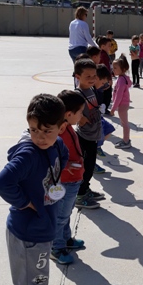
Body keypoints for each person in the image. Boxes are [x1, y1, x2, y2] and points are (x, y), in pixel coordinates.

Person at [0, 93, 71, 285]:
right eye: (34, 130)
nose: (40, 137)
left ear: (61, 128)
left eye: (47, 131)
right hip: (28, 233)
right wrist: (24, 202)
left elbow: (64, 155)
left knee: (39, 280)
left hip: (42, 228)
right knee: (31, 283)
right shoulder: (28, 153)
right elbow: (1, 183)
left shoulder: (56, 145)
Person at [51, 91, 100, 266]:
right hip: (65, 180)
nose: (82, 115)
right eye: (80, 112)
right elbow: (51, 158)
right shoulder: (59, 132)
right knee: (61, 216)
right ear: (69, 114)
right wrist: (67, 165)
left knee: (66, 213)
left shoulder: (68, 127)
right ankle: (56, 248)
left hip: (73, 180)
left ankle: (66, 239)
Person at [74, 60, 110, 207]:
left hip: (93, 135)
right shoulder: (78, 94)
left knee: (90, 167)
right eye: (87, 76)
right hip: (85, 136)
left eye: (94, 76)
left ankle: (86, 189)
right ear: (77, 76)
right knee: (86, 168)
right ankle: (80, 196)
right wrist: (81, 118)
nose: (92, 79)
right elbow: (71, 111)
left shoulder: (91, 90)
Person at [111, 54, 133, 149]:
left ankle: (126, 141)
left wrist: (113, 108)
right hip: (124, 104)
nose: (113, 70)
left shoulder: (121, 80)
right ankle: (125, 139)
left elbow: (119, 96)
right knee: (124, 123)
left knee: (124, 124)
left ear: (123, 69)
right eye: (113, 68)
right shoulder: (123, 78)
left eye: (115, 68)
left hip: (122, 104)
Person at [98, 37, 113, 113]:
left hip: (103, 77)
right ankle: (104, 107)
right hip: (105, 78)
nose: (110, 47)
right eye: (109, 45)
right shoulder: (103, 55)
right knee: (107, 93)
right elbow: (106, 67)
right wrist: (109, 78)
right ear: (103, 46)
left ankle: (103, 107)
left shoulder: (103, 54)